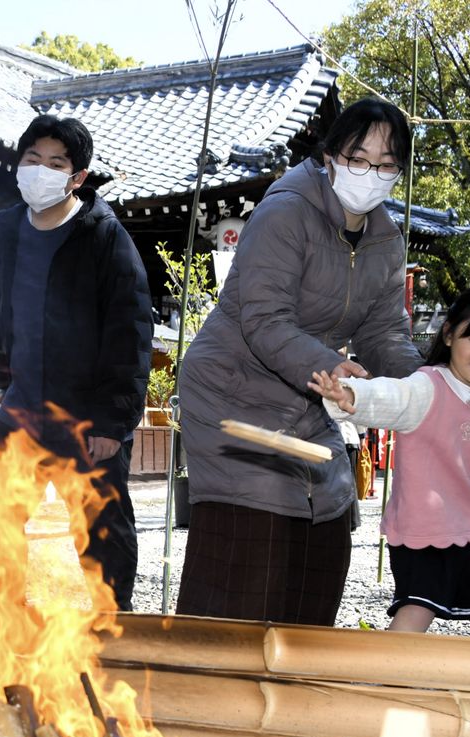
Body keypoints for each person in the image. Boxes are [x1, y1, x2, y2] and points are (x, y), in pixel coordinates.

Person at [176, 97, 423, 626]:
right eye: (359, 158)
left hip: (311, 401)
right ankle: (208, 684)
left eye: (385, 164)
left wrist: (427, 386)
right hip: (231, 390)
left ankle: (295, 687)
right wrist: (329, 365)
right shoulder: (285, 210)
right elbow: (263, 319)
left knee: (329, 520)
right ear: (332, 155)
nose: (370, 173)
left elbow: (385, 333)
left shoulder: (386, 240)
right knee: (257, 531)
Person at [0, 114, 153, 611]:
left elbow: (131, 330)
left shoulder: (103, 236)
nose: (40, 170)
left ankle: (113, 624)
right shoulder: (5, 229)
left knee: (101, 528)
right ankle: (5, 613)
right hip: (25, 405)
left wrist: (112, 420)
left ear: (77, 178)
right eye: (32, 159)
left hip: (87, 413)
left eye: (56, 164)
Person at [308, 285, 470, 636]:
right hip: (423, 526)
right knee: (417, 611)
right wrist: (351, 394)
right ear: (449, 334)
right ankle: (383, 684)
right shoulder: (428, 386)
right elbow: (390, 397)